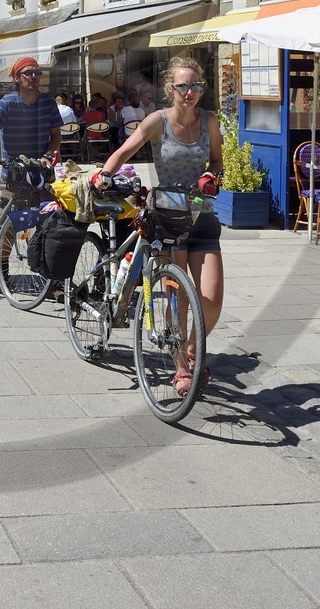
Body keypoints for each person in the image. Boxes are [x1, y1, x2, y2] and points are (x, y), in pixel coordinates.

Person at [95, 57, 224, 396]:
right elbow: (125, 150)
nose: (190, 92)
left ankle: (193, 349)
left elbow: (217, 161)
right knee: (177, 295)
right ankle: (181, 366)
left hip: (202, 214)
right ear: (170, 89)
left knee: (211, 299)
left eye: (196, 86)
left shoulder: (210, 121)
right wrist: (105, 174)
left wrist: (212, 176)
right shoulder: (157, 121)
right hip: (167, 216)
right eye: (183, 86)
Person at [0, 57, 62, 166]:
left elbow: (56, 135)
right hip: (13, 174)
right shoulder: (7, 103)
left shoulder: (49, 102)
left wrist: (48, 156)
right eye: (28, 73)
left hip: (41, 172)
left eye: (37, 73)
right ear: (16, 77)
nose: (34, 76)